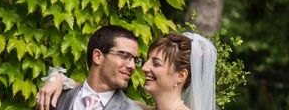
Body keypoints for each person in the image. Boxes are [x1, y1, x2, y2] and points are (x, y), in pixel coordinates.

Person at [37, 32, 217, 110]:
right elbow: (92, 92)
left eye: (156, 63)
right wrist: (57, 78)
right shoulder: (137, 108)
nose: (144, 68)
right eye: (146, 60)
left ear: (180, 76)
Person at [36, 25, 143, 110]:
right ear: (98, 56)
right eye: (124, 55)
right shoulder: (54, 99)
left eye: (134, 60)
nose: (132, 66)